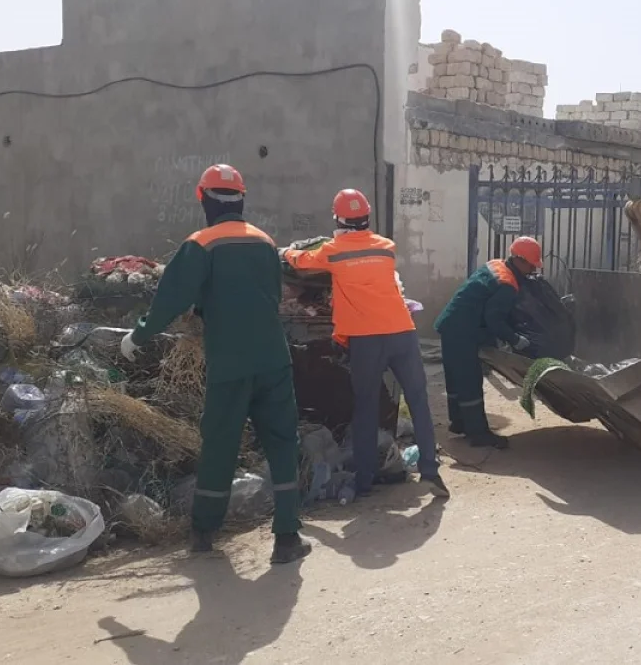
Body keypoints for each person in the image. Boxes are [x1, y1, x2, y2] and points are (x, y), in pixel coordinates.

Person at [120, 163, 311, 564]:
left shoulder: (200, 245)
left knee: (220, 443)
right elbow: (272, 295)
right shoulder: (264, 242)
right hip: (273, 358)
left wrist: (137, 337)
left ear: (202, 198)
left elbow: (169, 300)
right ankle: (288, 537)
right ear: (241, 199)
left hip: (229, 362)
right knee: (281, 442)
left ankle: (204, 533)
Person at [283, 189, 449, 500]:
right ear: (367, 217)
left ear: (337, 218)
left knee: (366, 408)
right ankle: (430, 471)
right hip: (402, 332)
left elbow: (302, 261)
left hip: (367, 339)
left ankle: (364, 481)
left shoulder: (333, 250)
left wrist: (285, 254)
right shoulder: (386, 247)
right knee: (418, 401)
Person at [434, 237, 541, 449]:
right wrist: (515, 339)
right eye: (530, 264)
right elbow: (494, 319)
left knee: (455, 378)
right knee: (469, 380)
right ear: (519, 260)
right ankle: (478, 434)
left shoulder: (496, 265)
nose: (531, 269)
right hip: (464, 331)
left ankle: (459, 423)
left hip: (451, 324)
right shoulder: (508, 284)